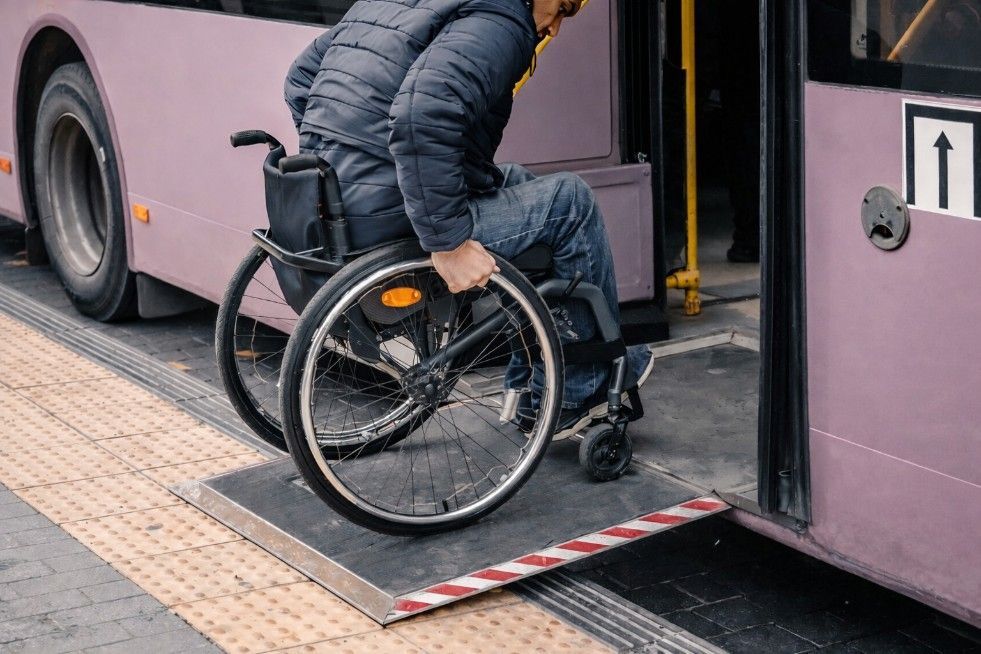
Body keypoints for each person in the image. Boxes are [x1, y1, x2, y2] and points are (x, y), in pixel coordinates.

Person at [284, 0, 653, 438]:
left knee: (519, 185)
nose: (554, 26)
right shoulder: (504, 21)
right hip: (394, 213)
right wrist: (449, 243)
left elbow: (301, 78)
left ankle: (534, 370)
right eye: (561, 6)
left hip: (343, 201)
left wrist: (344, 158)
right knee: (571, 202)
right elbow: (421, 115)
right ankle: (576, 393)